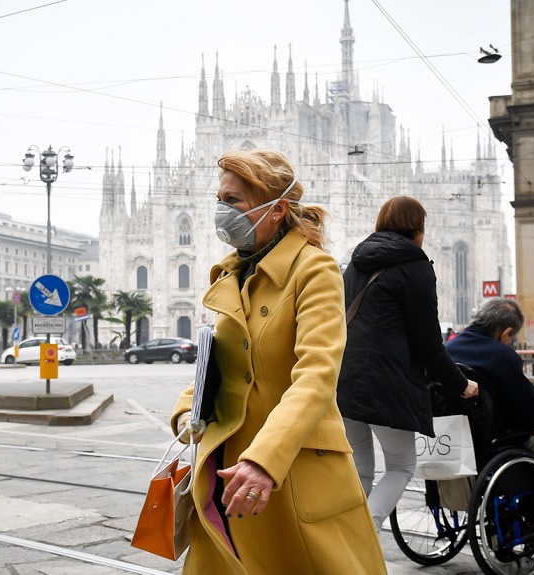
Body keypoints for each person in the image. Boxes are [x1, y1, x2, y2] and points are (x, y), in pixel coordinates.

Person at [170, 149, 386, 574]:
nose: (220, 212)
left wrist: (265, 458)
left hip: (291, 469)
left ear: (277, 209)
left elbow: (317, 374)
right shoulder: (234, 273)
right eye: (220, 199)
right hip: (229, 468)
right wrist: (187, 408)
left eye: (233, 201)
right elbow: (222, 362)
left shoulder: (314, 269)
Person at [337, 196, 479, 531]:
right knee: (401, 466)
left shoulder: (356, 263)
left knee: (360, 471)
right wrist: (461, 384)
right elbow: (429, 343)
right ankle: (361, 541)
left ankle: (341, 545)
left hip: (344, 380)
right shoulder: (415, 267)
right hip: (387, 384)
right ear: (417, 227)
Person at [446, 298, 534, 477]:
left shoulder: (446, 351)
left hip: (452, 442)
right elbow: (533, 417)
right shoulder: (503, 356)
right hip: (496, 446)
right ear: (506, 332)